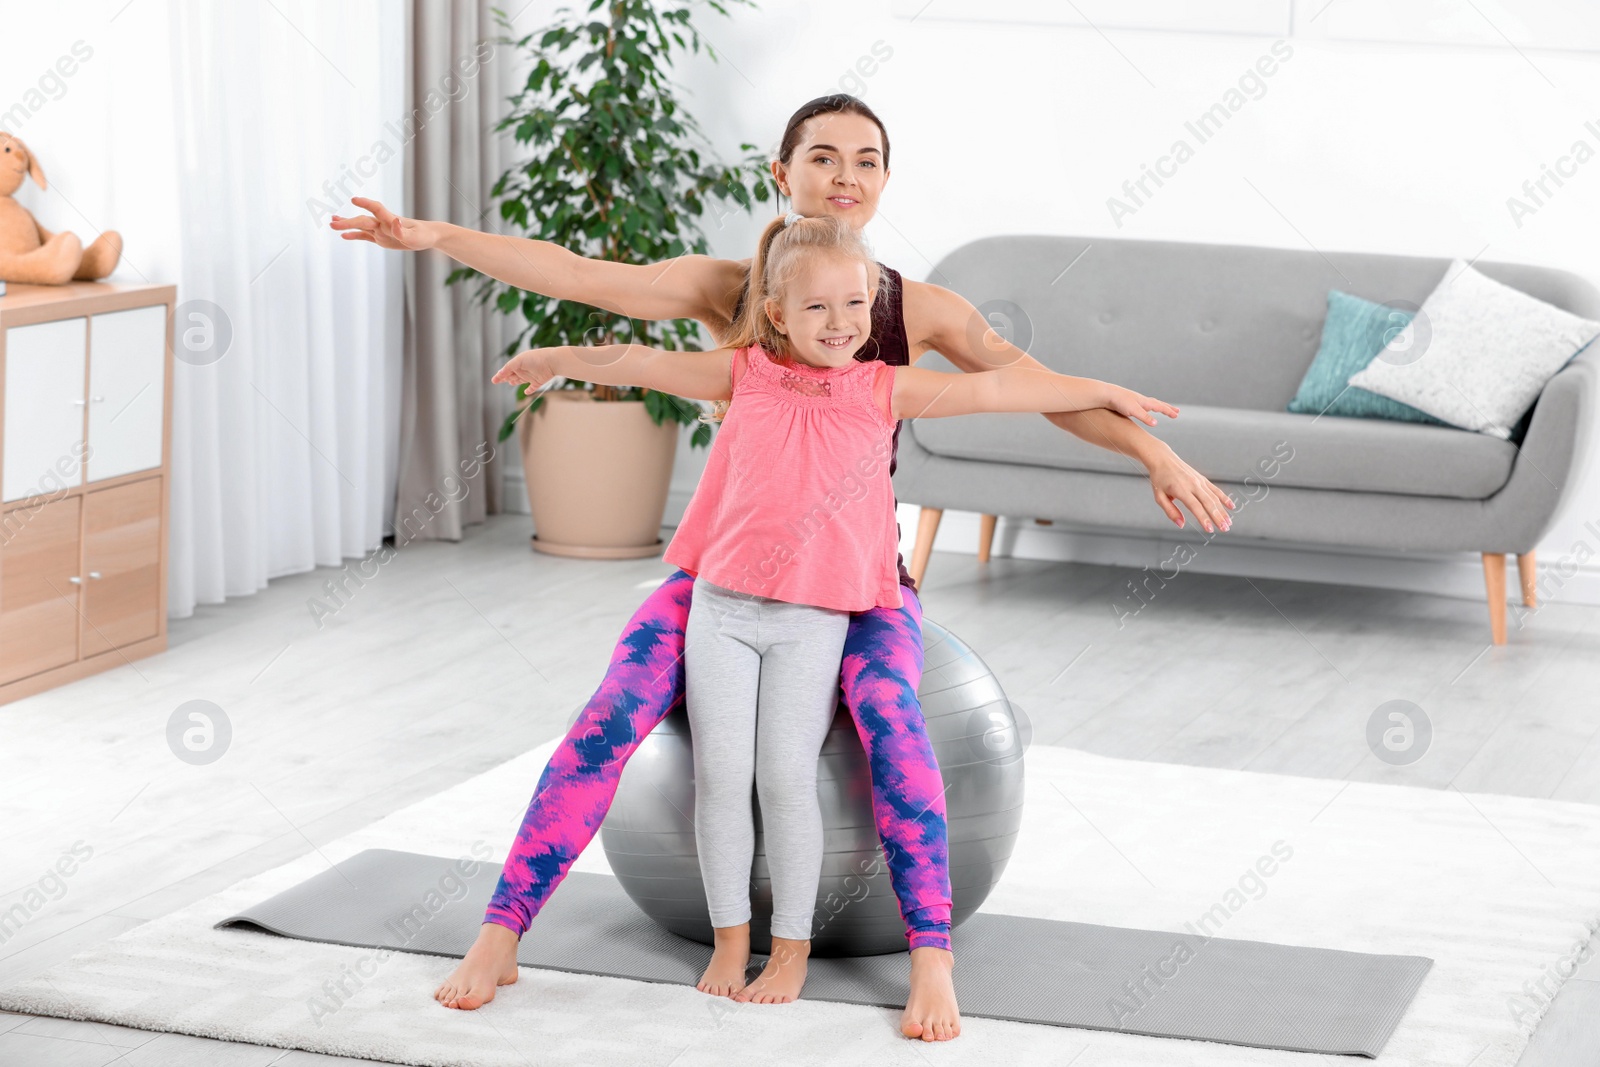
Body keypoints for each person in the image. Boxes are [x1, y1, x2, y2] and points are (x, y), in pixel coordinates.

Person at [329, 93, 1235, 1043]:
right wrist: (434, 235)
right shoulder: (734, 289)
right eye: (825, 157)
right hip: (725, 576)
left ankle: (931, 955)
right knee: (611, 710)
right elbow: (581, 274)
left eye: (868, 160)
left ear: (885, 181)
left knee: (890, 712)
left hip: (855, 583)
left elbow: (1035, 390)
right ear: (782, 172)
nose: (846, 176)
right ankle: (501, 931)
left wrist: (1153, 454)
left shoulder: (916, 312)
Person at [487, 208, 1177, 1007]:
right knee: (719, 777)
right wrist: (554, 357)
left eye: (855, 306)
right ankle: (729, 940)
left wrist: (1102, 390)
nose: (840, 323)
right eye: (816, 308)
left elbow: (996, 388)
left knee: (784, 778)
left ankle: (790, 950)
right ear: (777, 313)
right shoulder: (742, 371)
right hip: (719, 607)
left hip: (813, 618)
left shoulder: (885, 388)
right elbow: (640, 360)